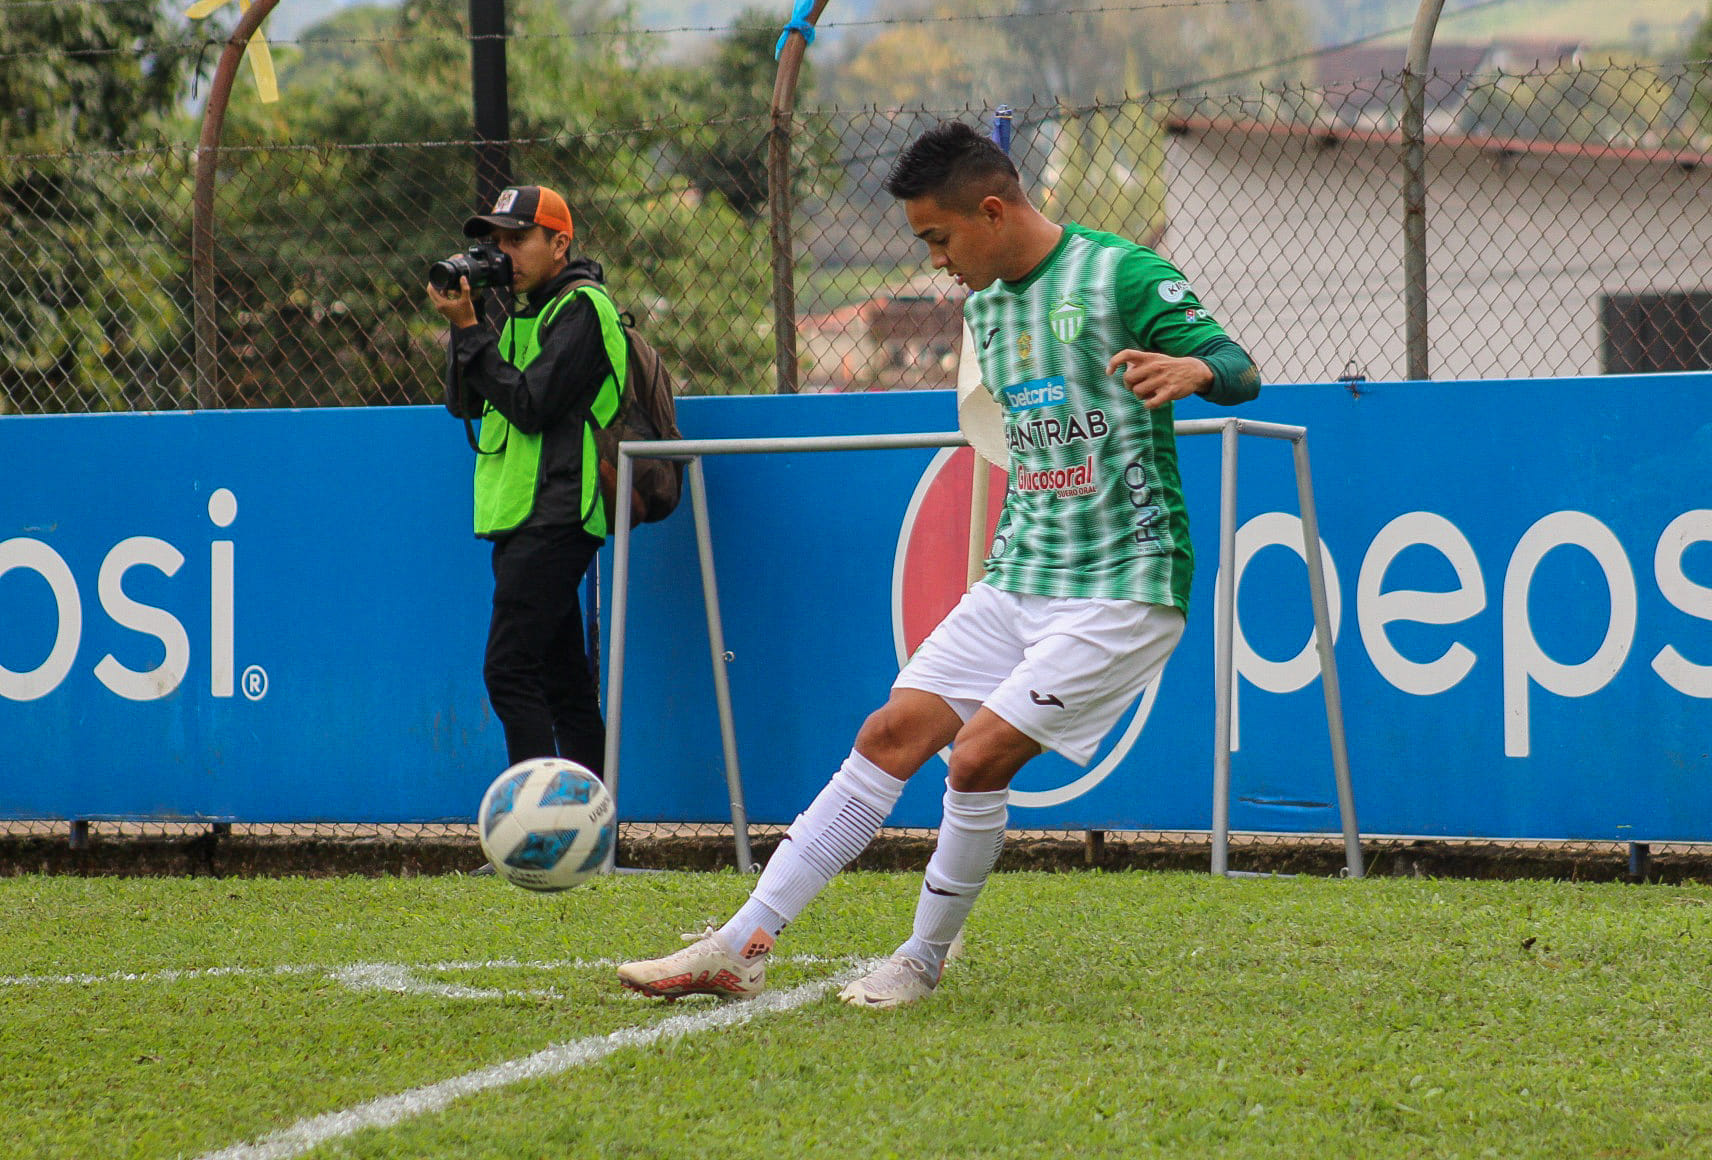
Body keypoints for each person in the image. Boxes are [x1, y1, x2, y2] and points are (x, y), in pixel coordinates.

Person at [616, 121, 1261, 1009]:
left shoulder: (1121, 274)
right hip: (1019, 577)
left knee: (976, 758)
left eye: (940, 239)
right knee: (888, 736)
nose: (938, 261)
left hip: (1123, 587)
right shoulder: (987, 309)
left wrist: (1194, 369)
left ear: (991, 211)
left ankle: (920, 960)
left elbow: (1240, 365)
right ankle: (741, 943)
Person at [431, 184, 627, 781]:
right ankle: (593, 834)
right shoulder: (520, 316)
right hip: (517, 516)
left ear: (559, 242)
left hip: (558, 512)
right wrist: (468, 324)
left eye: (517, 240)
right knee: (564, 681)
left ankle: (538, 826)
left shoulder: (584, 308)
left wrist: (471, 331)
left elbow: (531, 405)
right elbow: (464, 404)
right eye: (495, 242)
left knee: (509, 669)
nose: (502, 253)